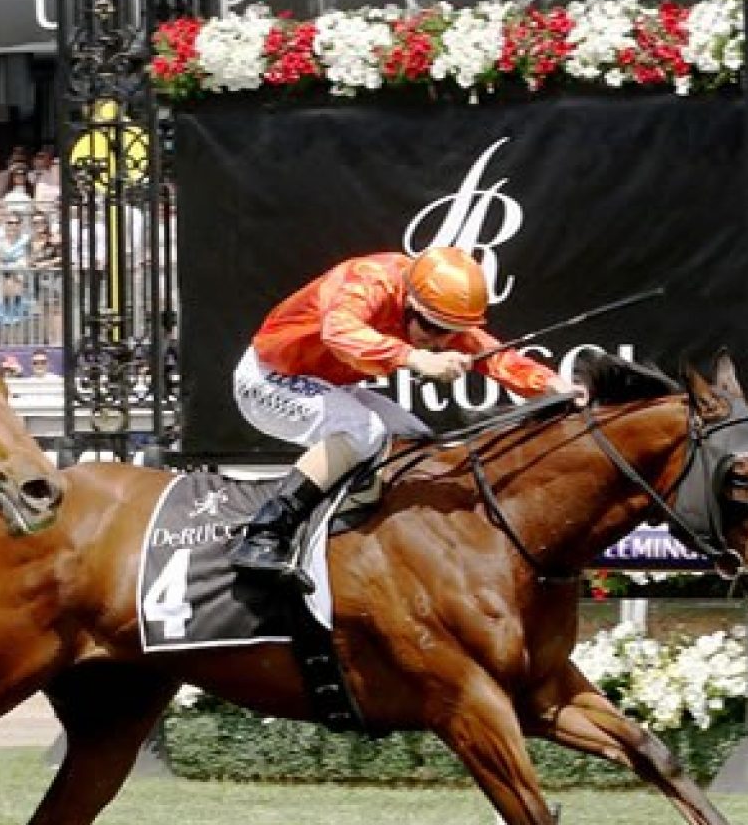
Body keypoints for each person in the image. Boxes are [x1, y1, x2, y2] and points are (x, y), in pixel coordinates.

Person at [228, 246, 576, 582]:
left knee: (417, 442)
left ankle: (353, 530)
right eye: (435, 330)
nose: (441, 343)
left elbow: (492, 355)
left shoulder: (436, 310)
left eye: (452, 334)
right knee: (363, 430)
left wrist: (550, 383)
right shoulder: (368, 280)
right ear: (410, 303)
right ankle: (267, 531)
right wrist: (414, 357)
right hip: (269, 378)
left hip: (327, 384)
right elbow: (338, 332)